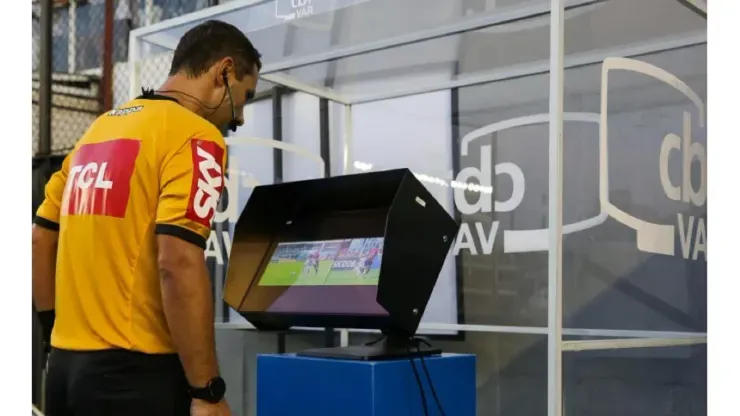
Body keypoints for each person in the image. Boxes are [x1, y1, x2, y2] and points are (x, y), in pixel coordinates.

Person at [31, 20, 261, 416]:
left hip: (64, 374)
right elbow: (177, 260)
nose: (238, 119)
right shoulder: (195, 136)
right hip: (135, 378)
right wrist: (207, 391)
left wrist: (54, 333)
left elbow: (39, 239)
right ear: (223, 71)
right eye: (243, 97)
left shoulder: (96, 133)